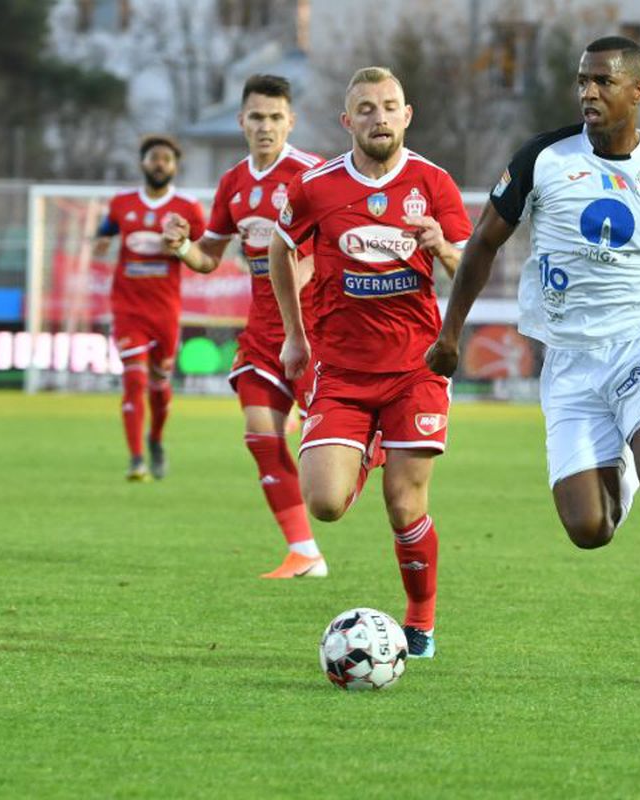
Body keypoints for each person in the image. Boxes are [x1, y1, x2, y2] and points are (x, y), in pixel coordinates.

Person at [425, 36, 640, 690]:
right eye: (582, 81)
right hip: (569, 363)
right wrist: (451, 333)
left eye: (602, 82)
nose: (588, 93)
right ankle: (638, 447)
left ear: (637, 93)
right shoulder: (542, 159)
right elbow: (482, 247)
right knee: (588, 530)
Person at [269, 67, 472, 657]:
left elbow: (469, 269)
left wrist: (443, 248)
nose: (378, 117)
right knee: (327, 505)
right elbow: (281, 249)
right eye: (365, 108)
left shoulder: (434, 184)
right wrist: (294, 335)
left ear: (407, 115)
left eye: (389, 106)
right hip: (342, 370)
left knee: (405, 504)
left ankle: (420, 622)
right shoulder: (316, 186)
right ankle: (367, 447)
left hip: (417, 369)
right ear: (346, 120)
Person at [161, 74, 347, 579]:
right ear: (241, 120)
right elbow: (209, 256)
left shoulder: (313, 174)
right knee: (260, 435)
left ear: (291, 121)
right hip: (264, 329)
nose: (265, 126)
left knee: (336, 453)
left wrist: (302, 284)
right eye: (256, 117)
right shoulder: (233, 183)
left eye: (275, 117)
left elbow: (336, 245)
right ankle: (305, 552)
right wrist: (180, 245)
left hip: (320, 327)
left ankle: (363, 447)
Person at [95, 135, 206, 482]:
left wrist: (180, 242)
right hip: (128, 307)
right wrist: (100, 243)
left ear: (174, 167)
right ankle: (137, 459)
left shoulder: (188, 208)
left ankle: (156, 440)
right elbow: (104, 235)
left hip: (165, 310)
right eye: (154, 158)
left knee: (159, 385)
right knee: (134, 380)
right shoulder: (121, 204)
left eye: (166, 159)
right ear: (143, 162)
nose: (160, 164)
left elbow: (204, 249)